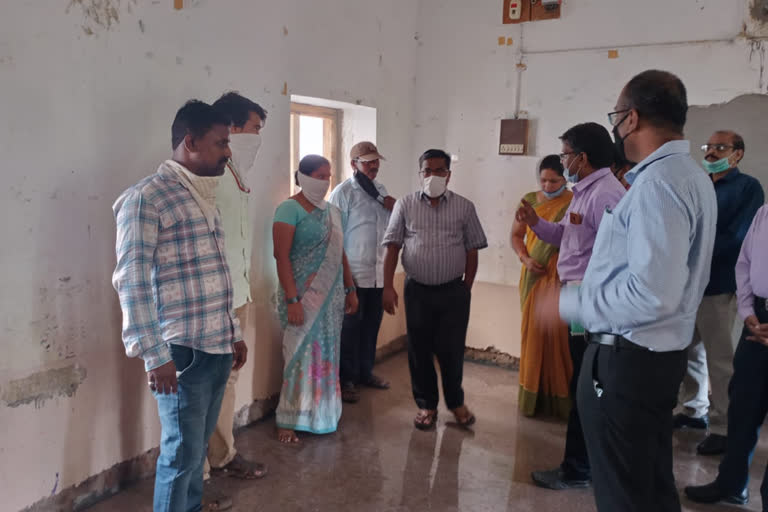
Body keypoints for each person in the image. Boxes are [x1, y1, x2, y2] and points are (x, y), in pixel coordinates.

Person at [553, 70, 717, 511]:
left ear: (631, 118)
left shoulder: (658, 186)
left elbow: (652, 294)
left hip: (630, 360)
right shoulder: (687, 175)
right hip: (652, 358)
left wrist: (573, 302)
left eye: (617, 116)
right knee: (647, 484)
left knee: (625, 493)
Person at [112, 100, 248, 512]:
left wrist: (234, 334)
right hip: (182, 354)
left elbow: (214, 274)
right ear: (190, 142)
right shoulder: (146, 198)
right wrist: (155, 356)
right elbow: (131, 281)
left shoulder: (202, 195)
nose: (229, 151)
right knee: (180, 456)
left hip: (216, 346)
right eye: (221, 142)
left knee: (195, 454)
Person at [518, 123, 625, 490]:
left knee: (589, 385)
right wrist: (536, 223)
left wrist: (574, 300)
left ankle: (579, 468)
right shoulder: (584, 192)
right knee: (584, 380)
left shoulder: (607, 194)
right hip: (576, 297)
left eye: (565, 154)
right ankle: (583, 463)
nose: (562, 162)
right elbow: (566, 236)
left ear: (581, 157)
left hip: (590, 301)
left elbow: (614, 258)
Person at [192, 93, 268, 501]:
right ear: (233, 128)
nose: (259, 137)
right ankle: (198, 474)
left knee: (227, 380)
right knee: (202, 385)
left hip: (237, 293)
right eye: (255, 128)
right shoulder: (204, 177)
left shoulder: (235, 172)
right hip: (209, 302)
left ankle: (222, 454)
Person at [381, 149, 488, 430]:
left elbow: (473, 248)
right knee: (419, 350)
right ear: (420, 174)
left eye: (439, 171)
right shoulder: (404, 205)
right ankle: (426, 406)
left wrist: (466, 287)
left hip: (453, 291)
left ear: (449, 175)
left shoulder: (464, 207)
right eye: (427, 171)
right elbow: (393, 246)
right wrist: (388, 285)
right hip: (417, 290)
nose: (433, 176)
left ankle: (456, 403)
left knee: (451, 350)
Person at [674, 130, 764, 456]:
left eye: (720, 148)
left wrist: (695, 251)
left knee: (720, 360)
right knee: (688, 351)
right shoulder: (699, 184)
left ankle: (724, 427)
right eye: (708, 147)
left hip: (720, 285)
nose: (711, 153)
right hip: (688, 284)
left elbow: (741, 236)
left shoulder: (747, 188)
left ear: (737, 153)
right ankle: (692, 410)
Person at [684, 204, 768, 507]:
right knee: (743, 407)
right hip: (757, 320)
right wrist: (747, 311)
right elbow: (744, 263)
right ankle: (731, 483)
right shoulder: (763, 213)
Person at [272, 154, 359, 444]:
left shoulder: (334, 212)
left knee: (326, 355)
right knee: (299, 355)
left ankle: (323, 413)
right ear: (303, 176)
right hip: (300, 297)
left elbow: (341, 254)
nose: (324, 181)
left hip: (331, 299)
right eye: (319, 176)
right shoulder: (288, 209)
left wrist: (350, 289)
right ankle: (290, 417)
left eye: (328, 176)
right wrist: (292, 299)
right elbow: (281, 257)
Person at [329, 141, 396, 404]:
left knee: (371, 326)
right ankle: (345, 380)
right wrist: (345, 281)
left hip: (378, 274)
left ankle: (365, 373)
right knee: (349, 330)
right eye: (367, 161)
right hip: (353, 275)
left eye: (375, 161)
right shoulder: (343, 193)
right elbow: (335, 238)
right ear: (353, 164)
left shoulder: (381, 191)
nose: (373, 166)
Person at [510, 155, 573, 419]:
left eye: (554, 181)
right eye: (543, 180)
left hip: (562, 278)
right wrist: (525, 257)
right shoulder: (529, 200)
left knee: (560, 341)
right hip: (534, 276)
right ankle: (532, 401)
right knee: (534, 336)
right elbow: (515, 235)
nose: (548, 186)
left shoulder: (574, 201)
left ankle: (561, 401)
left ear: (565, 179)